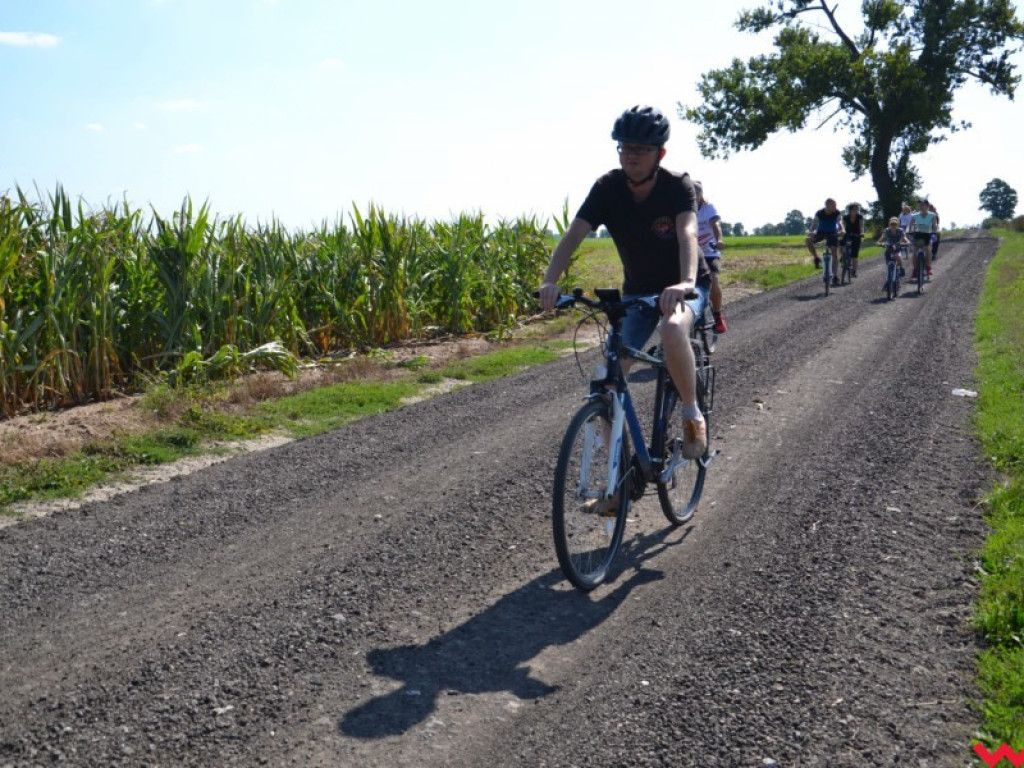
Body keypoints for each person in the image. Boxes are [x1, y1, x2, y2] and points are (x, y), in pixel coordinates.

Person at [538, 105, 711, 468]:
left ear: (660, 154)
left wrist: (685, 282)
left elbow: (688, 235)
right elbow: (573, 236)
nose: (630, 156)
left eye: (640, 150)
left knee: (673, 327)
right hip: (638, 291)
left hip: (686, 285)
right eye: (624, 148)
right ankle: (615, 472)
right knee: (610, 374)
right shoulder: (608, 188)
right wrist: (550, 280)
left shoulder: (676, 186)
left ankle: (693, 415)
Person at [695, 180, 727, 333]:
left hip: (709, 251)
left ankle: (718, 315)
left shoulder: (708, 208)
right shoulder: (685, 207)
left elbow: (716, 226)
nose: (693, 197)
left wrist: (719, 240)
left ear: (700, 195)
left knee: (713, 279)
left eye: (696, 194)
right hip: (693, 252)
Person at [805, 198, 845, 285]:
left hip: (832, 233)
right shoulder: (819, 213)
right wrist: (811, 232)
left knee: (834, 253)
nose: (835, 207)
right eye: (833, 205)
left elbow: (840, 222)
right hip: (821, 233)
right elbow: (814, 224)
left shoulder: (837, 212)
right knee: (808, 240)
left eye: (836, 205)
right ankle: (816, 257)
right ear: (827, 206)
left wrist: (842, 230)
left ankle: (834, 275)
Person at [908, 199, 938, 279]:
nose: (920, 206)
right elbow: (910, 226)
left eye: (922, 205)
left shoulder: (932, 215)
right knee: (914, 252)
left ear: (927, 206)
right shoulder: (915, 215)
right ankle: (915, 269)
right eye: (919, 205)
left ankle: (928, 268)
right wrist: (909, 232)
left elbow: (935, 226)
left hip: (928, 235)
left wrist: (935, 232)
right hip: (918, 235)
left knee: (928, 249)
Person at [877, 216, 909, 289]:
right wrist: (878, 242)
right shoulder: (887, 231)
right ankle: (888, 281)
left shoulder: (900, 231)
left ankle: (901, 268)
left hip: (897, 247)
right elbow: (882, 238)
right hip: (889, 248)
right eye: (892, 224)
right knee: (888, 265)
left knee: (898, 256)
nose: (893, 226)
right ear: (889, 224)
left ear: (897, 225)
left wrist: (907, 242)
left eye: (895, 224)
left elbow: (904, 238)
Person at [840, 202, 866, 278]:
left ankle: (854, 271)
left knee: (855, 255)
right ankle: (843, 256)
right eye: (854, 209)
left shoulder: (859, 217)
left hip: (857, 235)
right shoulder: (845, 217)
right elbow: (843, 226)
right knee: (840, 244)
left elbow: (861, 226)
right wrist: (842, 232)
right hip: (847, 234)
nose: (856, 211)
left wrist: (862, 232)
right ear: (850, 210)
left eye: (857, 209)